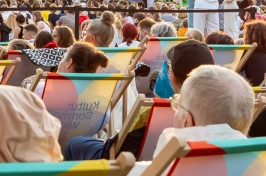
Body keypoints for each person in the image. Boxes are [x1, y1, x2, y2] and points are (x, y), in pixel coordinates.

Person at [65, 39, 215, 161]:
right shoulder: (216, 112)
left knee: (74, 144)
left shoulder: (151, 112)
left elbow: (120, 146)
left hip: (125, 163)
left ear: (173, 77)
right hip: (173, 167)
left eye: (170, 67)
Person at [240, 20, 266, 87]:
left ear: (250, 36)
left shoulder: (248, 52)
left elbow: (234, 70)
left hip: (256, 90)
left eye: (246, 34)